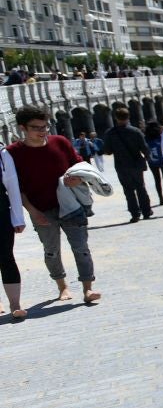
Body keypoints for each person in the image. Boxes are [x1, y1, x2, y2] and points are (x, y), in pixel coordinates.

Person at [5, 107, 101, 304]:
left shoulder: (60, 142)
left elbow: (79, 165)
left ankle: (88, 288)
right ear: (22, 128)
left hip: (71, 205)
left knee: (81, 247)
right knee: (51, 250)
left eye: (45, 126)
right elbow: (17, 188)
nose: (42, 131)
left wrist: (79, 180)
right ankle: (62, 286)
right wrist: (32, 211)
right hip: (41, 209)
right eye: (36, 128)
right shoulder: (14, 152)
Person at [100, 107, 154, 222]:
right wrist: (147, 158)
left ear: (116, 118)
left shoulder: (110, 133)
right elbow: (145, 148)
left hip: (121, 166)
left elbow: (107, 151)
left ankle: (135, 214)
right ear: (128, 117)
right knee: (140, 188)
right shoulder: (135, 131)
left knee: (128, 190)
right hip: (136, 164)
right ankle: (146, 211)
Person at [1, 143, 26, 319]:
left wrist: (18, 218)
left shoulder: (2, 154)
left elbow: (12, 184)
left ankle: (15, 304)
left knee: (6, 256)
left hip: (0, 211)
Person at [144, 121, 163, 206]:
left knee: (157, 180)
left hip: (152, 161)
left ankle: (161, 199)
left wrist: (147, 158)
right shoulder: (162, 136)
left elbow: (144, 149)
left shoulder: (146, 138)